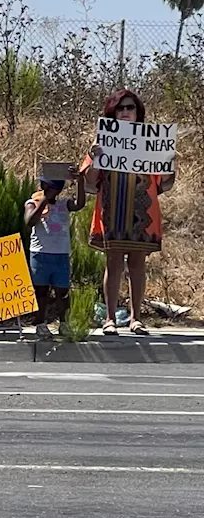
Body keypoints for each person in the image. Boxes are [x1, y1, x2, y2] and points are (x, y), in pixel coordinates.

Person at [81, 89, 172, 336]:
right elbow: (89, 182)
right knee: (113, 264)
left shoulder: (151, 141)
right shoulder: (104, 140)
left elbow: (165, 182)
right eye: (120, 108)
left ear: (137, 111)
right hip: (113, 211)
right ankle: (110, 318)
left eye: (130, 107)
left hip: (142, 213)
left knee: (137, 264)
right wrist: (93, 156)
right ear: (112, 112)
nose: (125, 112)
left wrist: (166, 158)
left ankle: (136, 318)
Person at [24, 169, 86, 339]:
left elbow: (79, 204)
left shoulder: (63, 204)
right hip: (40, 254)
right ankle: (40, 323)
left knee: (62, 291)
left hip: (60, 254)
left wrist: (80, 182)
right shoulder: (33, 203)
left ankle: (64, 322)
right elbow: (30, 221)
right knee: (41, 291)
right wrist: (43, 201)